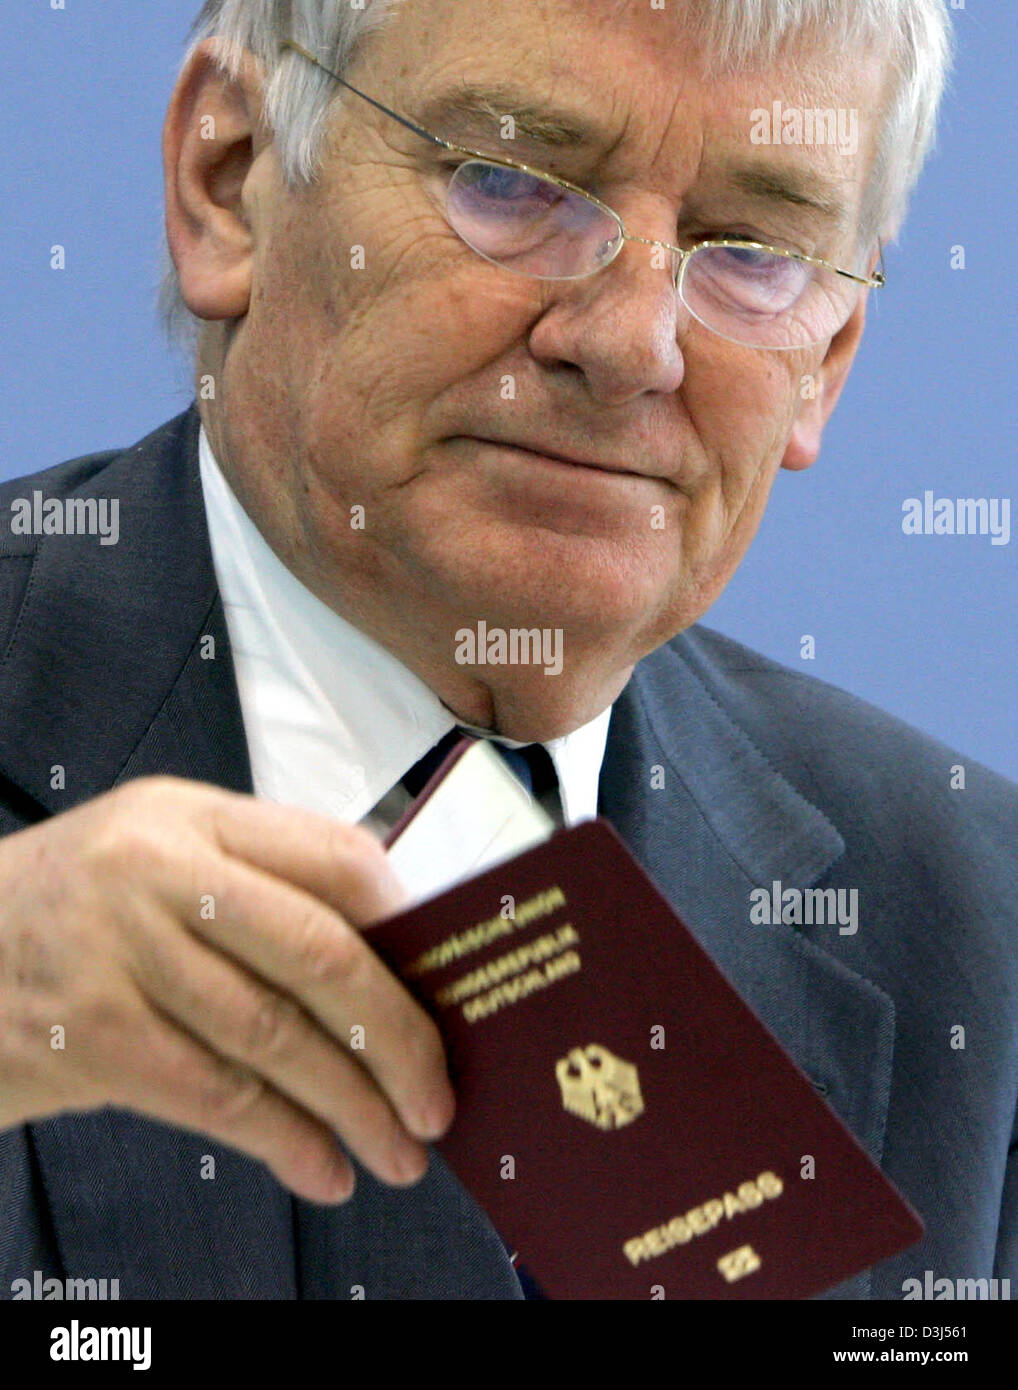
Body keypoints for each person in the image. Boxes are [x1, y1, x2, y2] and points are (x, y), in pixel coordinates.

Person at [2, 0, 1014, 1302]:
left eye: (753, 251)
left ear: (826, 358)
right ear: (231, 178)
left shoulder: (969, 925)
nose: (631, 342)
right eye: (513, 182)